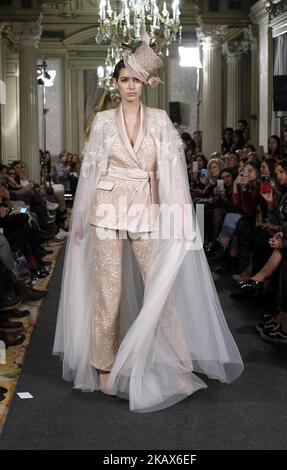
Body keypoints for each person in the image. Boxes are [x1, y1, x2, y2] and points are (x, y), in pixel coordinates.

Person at [53, 30, 243, 413]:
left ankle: (179, 362)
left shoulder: (159, 121)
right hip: (105, 209)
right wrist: (79, 217)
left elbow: (172, 172)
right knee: (108, 291)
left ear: (146, 83)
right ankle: (103, 367)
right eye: (124, 79)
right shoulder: (104, 121)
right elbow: (91, 171)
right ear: (115, 84)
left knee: (161, 287)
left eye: (136, 80)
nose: (130, 86)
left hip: (147, 208)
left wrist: (182, 217)